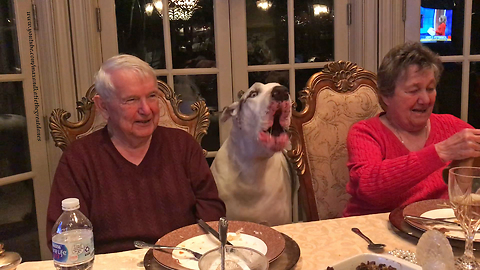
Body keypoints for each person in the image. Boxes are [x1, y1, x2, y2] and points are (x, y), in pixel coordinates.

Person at [46, 54, 226, 253]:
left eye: (151, 96)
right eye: (131, 100)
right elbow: (63, 237)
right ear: (103, 107)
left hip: (181, 257)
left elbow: (211, 210)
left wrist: (192, 252)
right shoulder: (79, 158)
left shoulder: (182, 145)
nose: (146, 110)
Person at [343, 42, 480, 217]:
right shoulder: (365, 133)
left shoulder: (451, 125)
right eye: (413, 90)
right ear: (386, 95)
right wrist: (440, 152)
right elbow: (369, 188)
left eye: (430, 89)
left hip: (435, 233)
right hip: (370, 234)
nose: (425, 99)